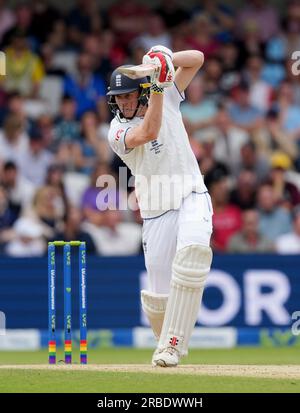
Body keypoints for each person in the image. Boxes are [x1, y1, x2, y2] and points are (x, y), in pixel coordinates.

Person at [107, 45, 213, 367]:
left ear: (138, 93)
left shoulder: (165, 93)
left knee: (193, 255)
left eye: (129, 95)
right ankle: (167, 342)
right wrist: (156, 83)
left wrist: (163, 60)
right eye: (119, 97)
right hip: (155, 211)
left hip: (192, 193)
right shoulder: (117, 131)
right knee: (158, 299)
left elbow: (197, 59)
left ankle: (172, 344)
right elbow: (149, 131)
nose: (124, 102)